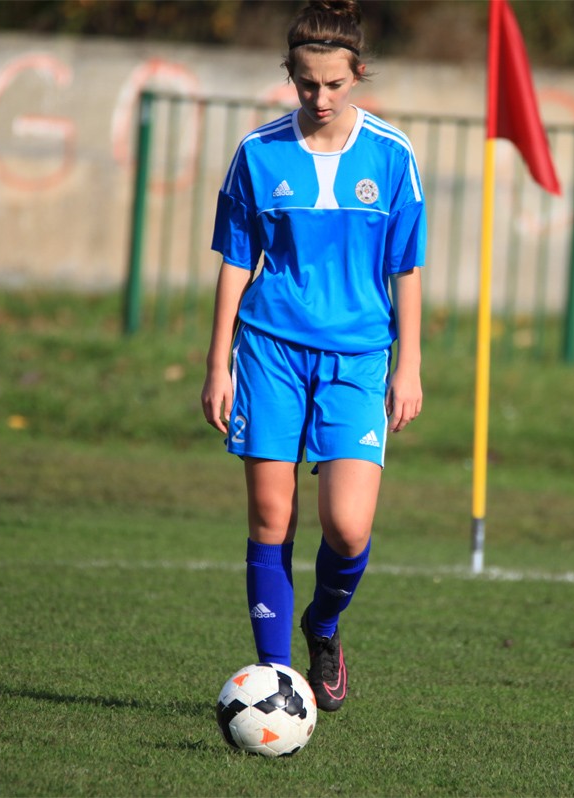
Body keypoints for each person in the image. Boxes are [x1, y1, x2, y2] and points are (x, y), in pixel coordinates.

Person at [200, 0, 426, 713]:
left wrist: (410, 365)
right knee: (272, 518)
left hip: (357, 358)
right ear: (290, 75)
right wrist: (217, 363)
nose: (320, 98)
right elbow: (237, 261)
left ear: (357, 74)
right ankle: (276, 684)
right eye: (306, 84)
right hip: (269, 351)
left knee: (348, 528)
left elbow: (406, 268)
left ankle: (322, 628)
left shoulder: (392, 156)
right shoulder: (258, 153)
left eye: (334, 84)